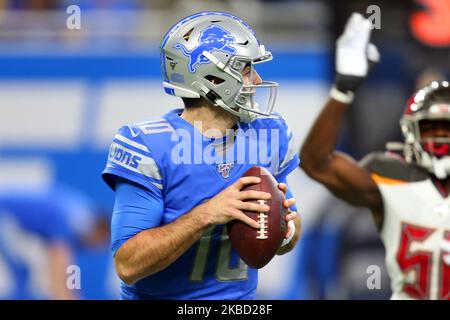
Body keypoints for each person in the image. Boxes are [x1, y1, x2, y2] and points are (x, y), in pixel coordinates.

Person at [102, 11, 301, 300]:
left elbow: (290, 231)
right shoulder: (148, 144)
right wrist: (206, 214)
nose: (256, 80)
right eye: (246, 69)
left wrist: (286, 228)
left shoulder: (268, 133)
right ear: (212, 77)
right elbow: (128, 264)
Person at [300, 12, 450, 300]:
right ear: (412, 133)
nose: (441, 139)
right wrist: (343, 89)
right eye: (431, 128)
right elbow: (317, 164)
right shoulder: (395, 180)